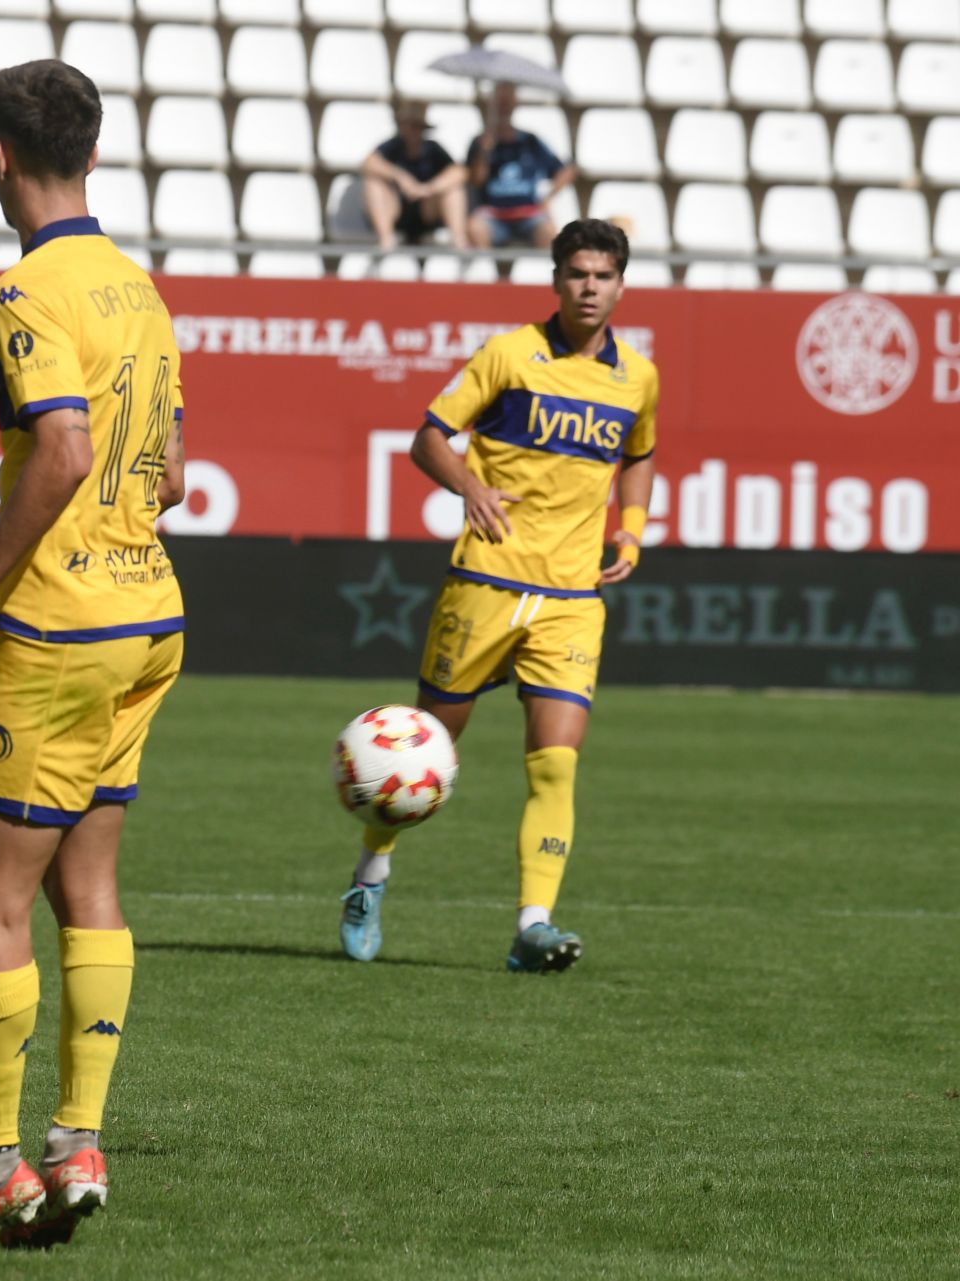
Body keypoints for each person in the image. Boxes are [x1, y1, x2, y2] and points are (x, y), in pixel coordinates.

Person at [0, 59, 188, 1252]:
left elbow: (63, 451)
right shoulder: (137, 286)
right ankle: (78, 1143)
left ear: (0, 157)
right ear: (95, 151)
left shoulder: (27, 292)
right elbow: (166, 472)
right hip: (150, 620)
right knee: (90, 889)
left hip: (60, 629)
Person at [337, 219, 658, 974]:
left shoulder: (637, 376)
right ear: (555, 279)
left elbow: (640, 453)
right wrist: (470, 485)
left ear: (620, 284)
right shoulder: (509, 355)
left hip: (571, 597)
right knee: (425, 752)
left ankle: (532, 925)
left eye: (603, 275)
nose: (589, 287)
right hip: (484, 582)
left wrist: (632, 532)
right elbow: (429, 438)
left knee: (555, 764)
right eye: (577, 273)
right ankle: (370, 873)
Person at [465, 83, 575, 250]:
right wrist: (484, 153)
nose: (503, 107)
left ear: (514, 104)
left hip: (527, 212)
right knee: (475, 227)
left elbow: (567, 170)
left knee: (548, 230)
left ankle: (545, 274)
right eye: (500, 102)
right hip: (492, 213)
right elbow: (476, 181)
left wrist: (548, 197)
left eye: (507, 102)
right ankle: (484, 273)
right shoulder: (480, 142)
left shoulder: (530, 141)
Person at [362, 100, 470, 251]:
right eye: (409, 125)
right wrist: (401, 178)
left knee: (454, 191)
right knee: (373, 183)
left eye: (416, 126)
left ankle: (459, 242)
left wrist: (428, 189)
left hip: (427, 211)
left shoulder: (432, 149)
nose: (412, 130)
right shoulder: (392, 147)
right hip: (396, 210)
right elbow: (368, 163)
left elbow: (459, 172)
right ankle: (386, 240)